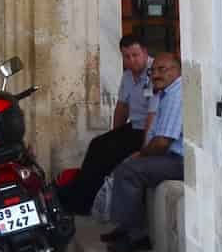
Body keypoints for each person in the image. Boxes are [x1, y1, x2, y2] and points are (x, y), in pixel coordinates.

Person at [59, 35, 153, 216]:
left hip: (150, 130)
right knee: (98, 144)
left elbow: (154, 113)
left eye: (135, 55)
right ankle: (79, 199)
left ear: (145, 53)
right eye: (126, 56)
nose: (131, 60)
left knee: (108, 152)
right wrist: (114, 135)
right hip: (134, 127)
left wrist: (146, 145)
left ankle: (81, 203)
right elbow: (122, 107)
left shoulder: (155, 72)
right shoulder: (127, 76)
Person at [102, 51, 184, 252]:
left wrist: (141, 154)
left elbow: (163, 142)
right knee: (122, 163)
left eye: (162, 70)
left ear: (177, 71)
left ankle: (137, 236)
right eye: (153, 70)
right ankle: (125, 226)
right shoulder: (167, 93)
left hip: (180, 161)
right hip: (170, 156)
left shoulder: (177, 94)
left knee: (129, 171)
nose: (156, 75)